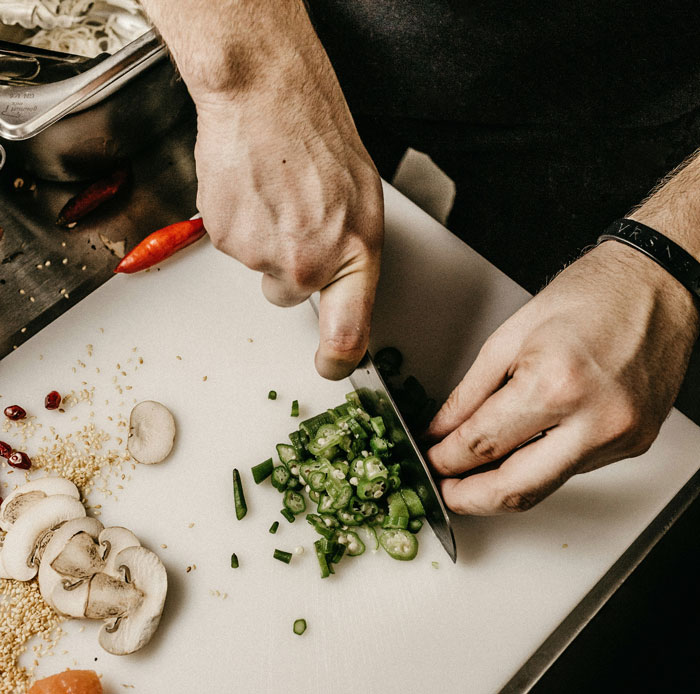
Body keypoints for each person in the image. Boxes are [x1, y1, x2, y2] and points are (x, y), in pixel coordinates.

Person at [139, 0, 700, 515]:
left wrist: (670, 258)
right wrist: (245, 73)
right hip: (301, 29)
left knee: (559, 374)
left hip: (631, 110)